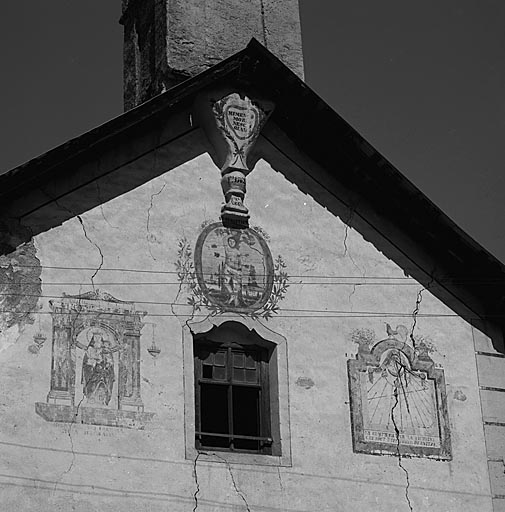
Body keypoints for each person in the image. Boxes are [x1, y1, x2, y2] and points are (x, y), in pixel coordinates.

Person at [82, 332, 115, 406]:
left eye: (99, 338)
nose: (97, 340)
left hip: (103, 373)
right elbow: (86, 364)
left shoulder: (106, 351)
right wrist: (93, 363)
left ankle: (103, 400)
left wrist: (107, 365)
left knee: (104, 385)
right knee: (92, 384)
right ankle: (91, 399)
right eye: (95, 338)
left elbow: (110, 364)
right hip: (93, 373)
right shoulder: (90, 349)